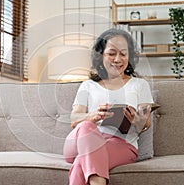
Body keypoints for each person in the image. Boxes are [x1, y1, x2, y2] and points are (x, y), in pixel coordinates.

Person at [63, 28, 154, 185]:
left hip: (122, 145)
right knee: (85, 126)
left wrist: (137, 120)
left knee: (81, 163)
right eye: (112, 53)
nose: (117, 59)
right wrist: (93, 116)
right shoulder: (88, 86)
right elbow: (74, 119)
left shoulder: (140, 85)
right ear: (101, 55)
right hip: (81, 141)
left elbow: (145, 123)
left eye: (123, 54)